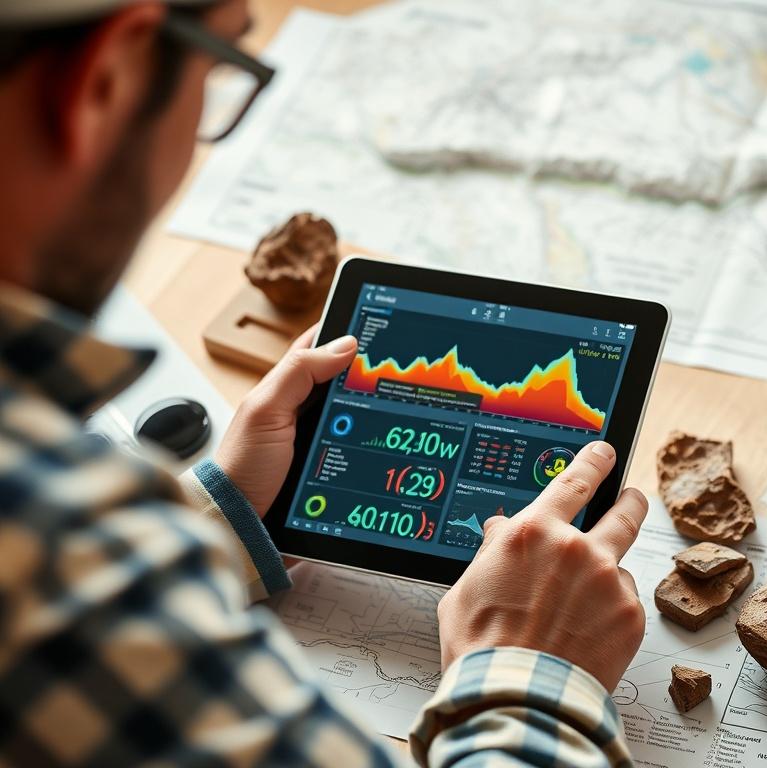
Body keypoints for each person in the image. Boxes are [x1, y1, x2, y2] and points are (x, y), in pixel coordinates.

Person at [0, 0, 650, 765]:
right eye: (219, 70)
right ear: (106, 78)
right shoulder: (48, 538)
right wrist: (531, 670)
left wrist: (227, 516)